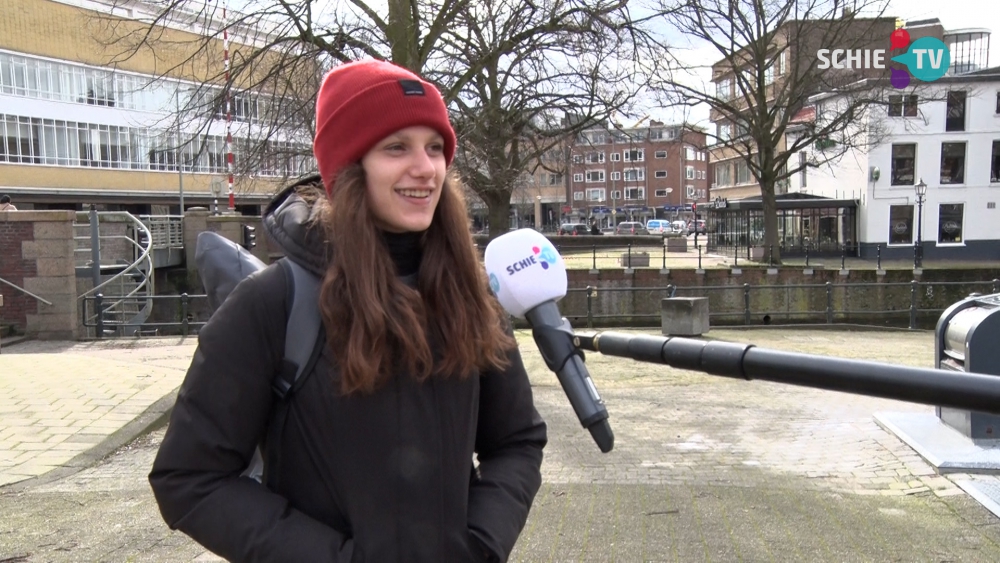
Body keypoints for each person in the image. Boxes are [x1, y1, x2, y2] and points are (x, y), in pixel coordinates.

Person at [149, 59, 547, 562]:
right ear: (349, 167)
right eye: (396, 147)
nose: (425, 167)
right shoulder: (273, 303)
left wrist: (480, 546)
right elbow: (189, 478)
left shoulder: (470, 295)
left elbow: (516, 440)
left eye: (435, 147)